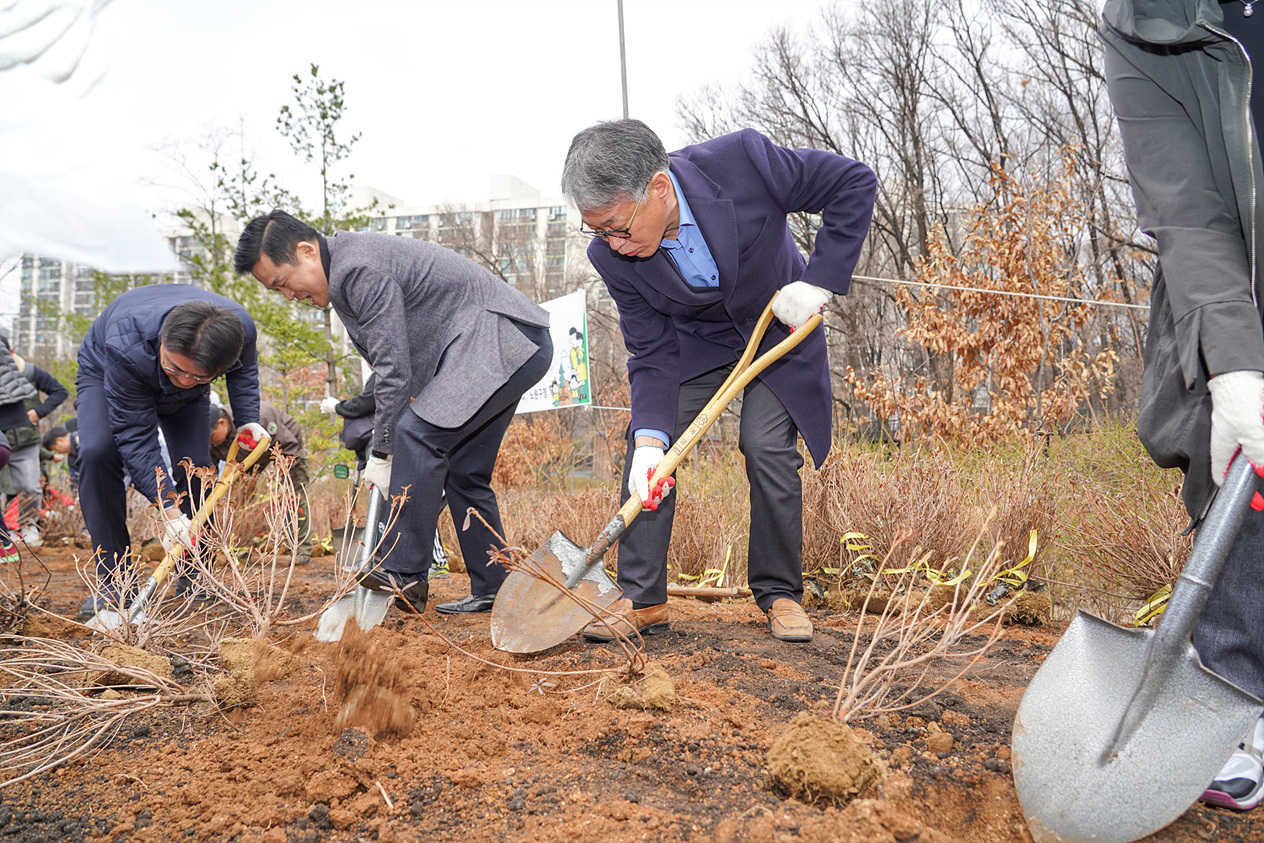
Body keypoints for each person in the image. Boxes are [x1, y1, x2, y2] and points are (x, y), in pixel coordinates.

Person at [560, 119, 876, 644]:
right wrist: (648, 440)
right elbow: (652, 350)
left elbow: (852, 182)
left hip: (780, 324)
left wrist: (818, 279)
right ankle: (642, 599)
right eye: (597, 232)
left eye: (617, 227)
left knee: (765, 445)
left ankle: (779, 593)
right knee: (650, 455)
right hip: (694, 346)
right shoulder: (611, 259)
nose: (611, 244)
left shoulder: (743, 162)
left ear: (658, 189)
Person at [1101, 0, 1264, 812]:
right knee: (1231, 451)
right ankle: (1235, 701)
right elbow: (1188, 212)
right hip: (1235, 254)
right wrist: (1235, 367)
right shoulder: (1139, 22)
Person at [234, 210, 551, 616]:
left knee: (418, 435)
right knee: (462, 470)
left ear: (306, 251)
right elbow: (406, 361)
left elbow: (393, 369)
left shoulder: (356, 269)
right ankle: (494, 585)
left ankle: (404, 572)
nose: (288, 296)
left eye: (283, 283)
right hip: (504, 344)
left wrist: (382, 452)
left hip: (503, 338)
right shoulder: (345, 277)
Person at [75, 285, 264, 617]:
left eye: (198, 376)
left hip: (182, 392)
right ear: (163, 342)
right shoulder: (127, 343)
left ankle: (196, 576)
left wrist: (248, 420)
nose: (184, 381)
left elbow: (243, 372)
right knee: (98, 452)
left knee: (193, 468)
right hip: (110, 369)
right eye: (176, 370)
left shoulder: (239, 330)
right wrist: (168, 509)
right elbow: (135, 434)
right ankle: (115, 582)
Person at [322, 375, 450, 579]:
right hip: (393, 449)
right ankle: (391, 560)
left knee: (419, 506)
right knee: (398, 510)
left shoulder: (392, 369)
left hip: (414, 451)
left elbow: (366, 402)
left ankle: (437, 561)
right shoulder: (388, 372)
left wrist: (338, 407)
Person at [210, 401, 312, 562]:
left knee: (294, 496)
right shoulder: (211, 438)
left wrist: (288, 481)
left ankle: (301, 549)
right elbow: (210, 475)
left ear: (222, 423)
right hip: (245, 458)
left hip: (283, 445)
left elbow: (289, 445)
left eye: (211, 436)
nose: (209, 441)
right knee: (237, 498)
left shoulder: (258, 418)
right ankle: (241, 545)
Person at [1, 334, 66, 547]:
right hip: (3, 438)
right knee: (5, 489)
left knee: (29, 486)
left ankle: (28, 526)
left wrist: (39, 411)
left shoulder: (28, 371)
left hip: (26, 440)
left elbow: (60, 391)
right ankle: (6, 532)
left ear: (10, 353)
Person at [43, 424, 79, 489]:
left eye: (55, 449)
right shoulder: (71, 460)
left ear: (60, 440)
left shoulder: (79, 439)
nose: (58, 452)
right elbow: (75, 483)